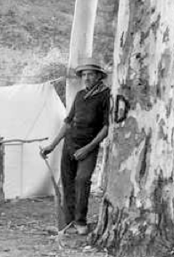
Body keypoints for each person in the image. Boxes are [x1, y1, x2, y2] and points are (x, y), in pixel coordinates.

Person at [41, 58, 110, 235]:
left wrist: (88, 148)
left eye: (90, 74)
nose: (86, 78)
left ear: (98, 76)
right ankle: (68, 222)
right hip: (70, 144)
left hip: (88, 146)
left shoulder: (105, 95)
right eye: (84, 75)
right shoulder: (80, 95)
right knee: (68, 182)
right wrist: (52, 145)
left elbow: (106, 127)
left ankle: (81, 222)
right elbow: (68, 122)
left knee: (82, 181)